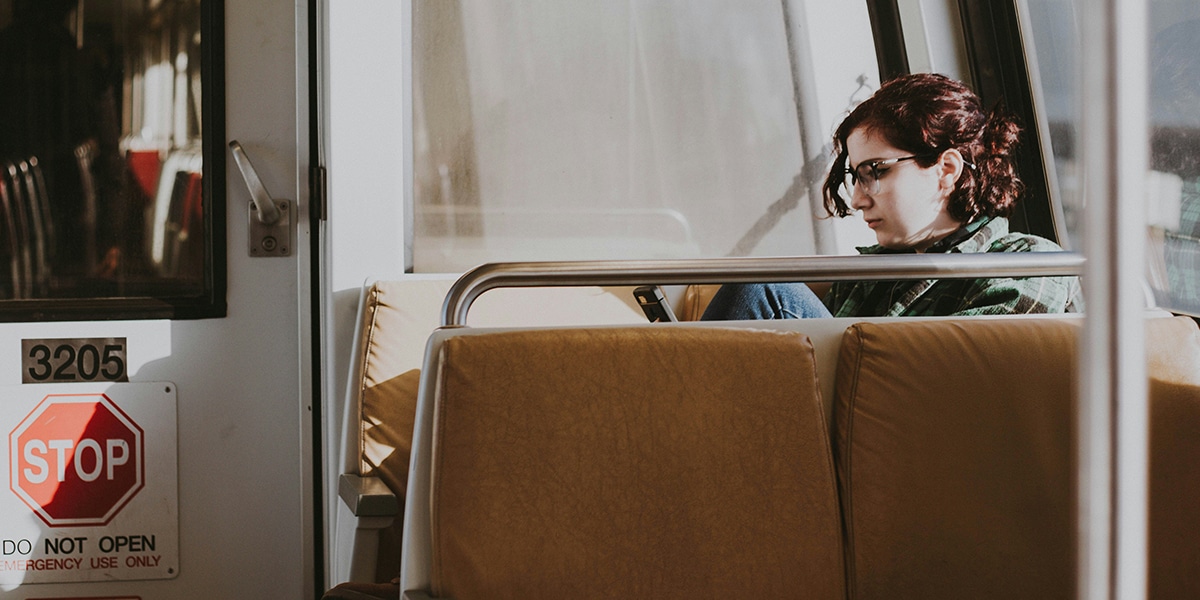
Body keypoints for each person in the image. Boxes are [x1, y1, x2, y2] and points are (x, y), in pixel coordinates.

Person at [702, 73, 1082, 320]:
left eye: (877, 171)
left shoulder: (1029, 264)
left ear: (947, 169)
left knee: (763, 289)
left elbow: (957, 385)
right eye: (857, 176)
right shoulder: (869, 277)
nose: (857, 200)